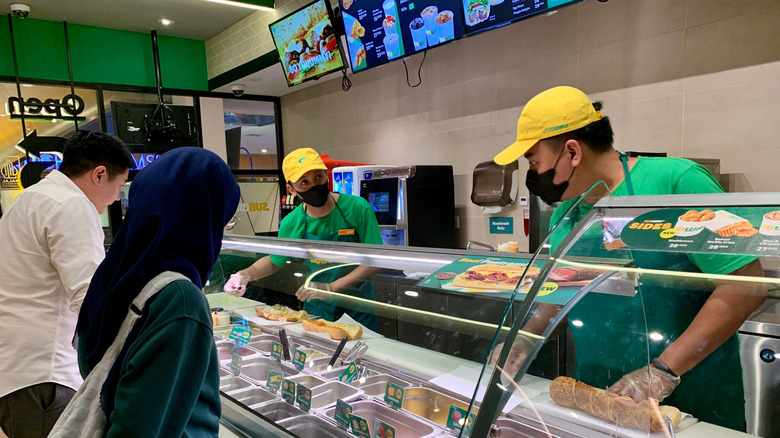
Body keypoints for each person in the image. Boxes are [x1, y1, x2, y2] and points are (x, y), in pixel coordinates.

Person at [492, 86, 766, 430]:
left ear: (572, 151)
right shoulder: (570, 214)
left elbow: (745, 287)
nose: (533, 174)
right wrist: (526, 336)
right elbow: (560, 294)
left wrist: (662, 373)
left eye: (534, 161)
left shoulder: (675, 181)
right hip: (599, 392)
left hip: (693, 393)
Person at [69, 147, 239, 436]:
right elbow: (138, 428)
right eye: (223, 219)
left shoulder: (116, 271)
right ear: (203, 214)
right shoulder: (179, 298)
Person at [0, 131, 133, 438]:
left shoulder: (32, 198)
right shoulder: (72, 204)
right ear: (99, 174)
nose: (117, 197)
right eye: (119, 185)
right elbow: (90, 298)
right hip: (43, 374)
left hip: (17, 365)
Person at [224, 147, 382, 329]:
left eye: (318, 177)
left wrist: (332, 288)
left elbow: (373, 261)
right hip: (318, 307)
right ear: (291, 189)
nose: (314, 185)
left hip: (357, 306)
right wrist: (243, 275)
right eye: (304, 182)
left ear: (326, 176)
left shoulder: (357, 208)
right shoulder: (292, 222)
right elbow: (276, 260)